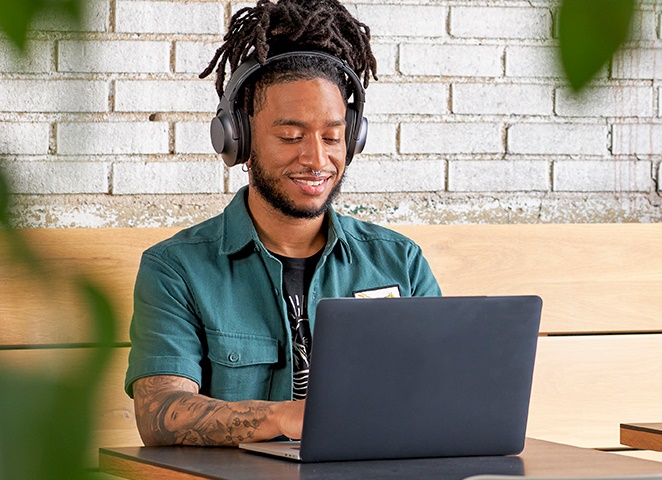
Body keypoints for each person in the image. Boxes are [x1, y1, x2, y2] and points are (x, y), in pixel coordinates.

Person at [124, 0, 442, 447]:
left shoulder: (400, 262)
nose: (317, 159)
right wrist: (283, 419)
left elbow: (443, 396)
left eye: (333, 137)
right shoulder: (176, 269)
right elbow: (160, 413)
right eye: (291, 136)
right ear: (239, 138)